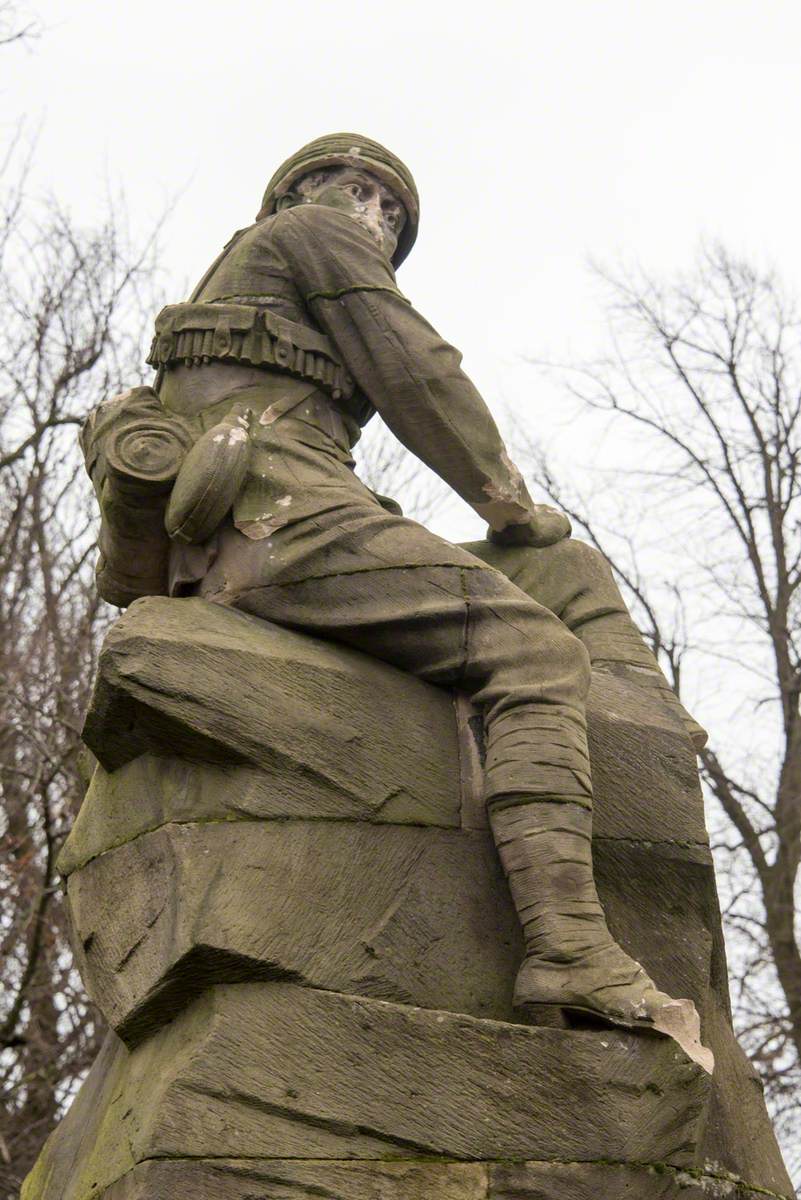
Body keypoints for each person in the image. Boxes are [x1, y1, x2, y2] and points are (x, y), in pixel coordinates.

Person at [102, 133, 707, 1041]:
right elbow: (414, 366)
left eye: (393, 212)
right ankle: (570, 947)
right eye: (361, 192)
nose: (374, 218)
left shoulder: (249, 276)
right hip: (282, 520)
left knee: (565, 570)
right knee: (537, 646)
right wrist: (504, 500)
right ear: (298, 193)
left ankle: (645, 746)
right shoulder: (310, 233)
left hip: (306, 508)